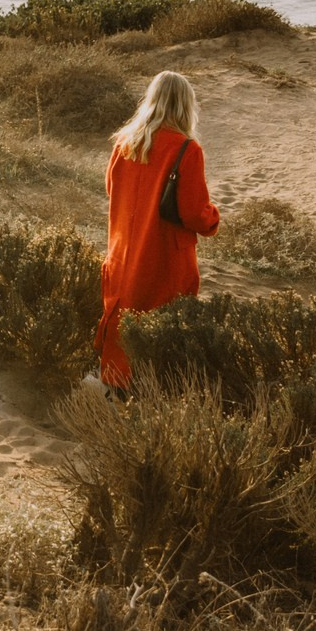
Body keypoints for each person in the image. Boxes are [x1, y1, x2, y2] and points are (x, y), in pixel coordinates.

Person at [95, 71, 220, 394]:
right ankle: (151, 390)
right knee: (162, 323)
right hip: (165, 255)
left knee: (124, 314)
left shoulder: (125, 143)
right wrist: (213, 218)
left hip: (123, 249)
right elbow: (194, 213)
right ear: (185, 105)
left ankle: (115, 382)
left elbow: (112, 188)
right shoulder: (186, 149)